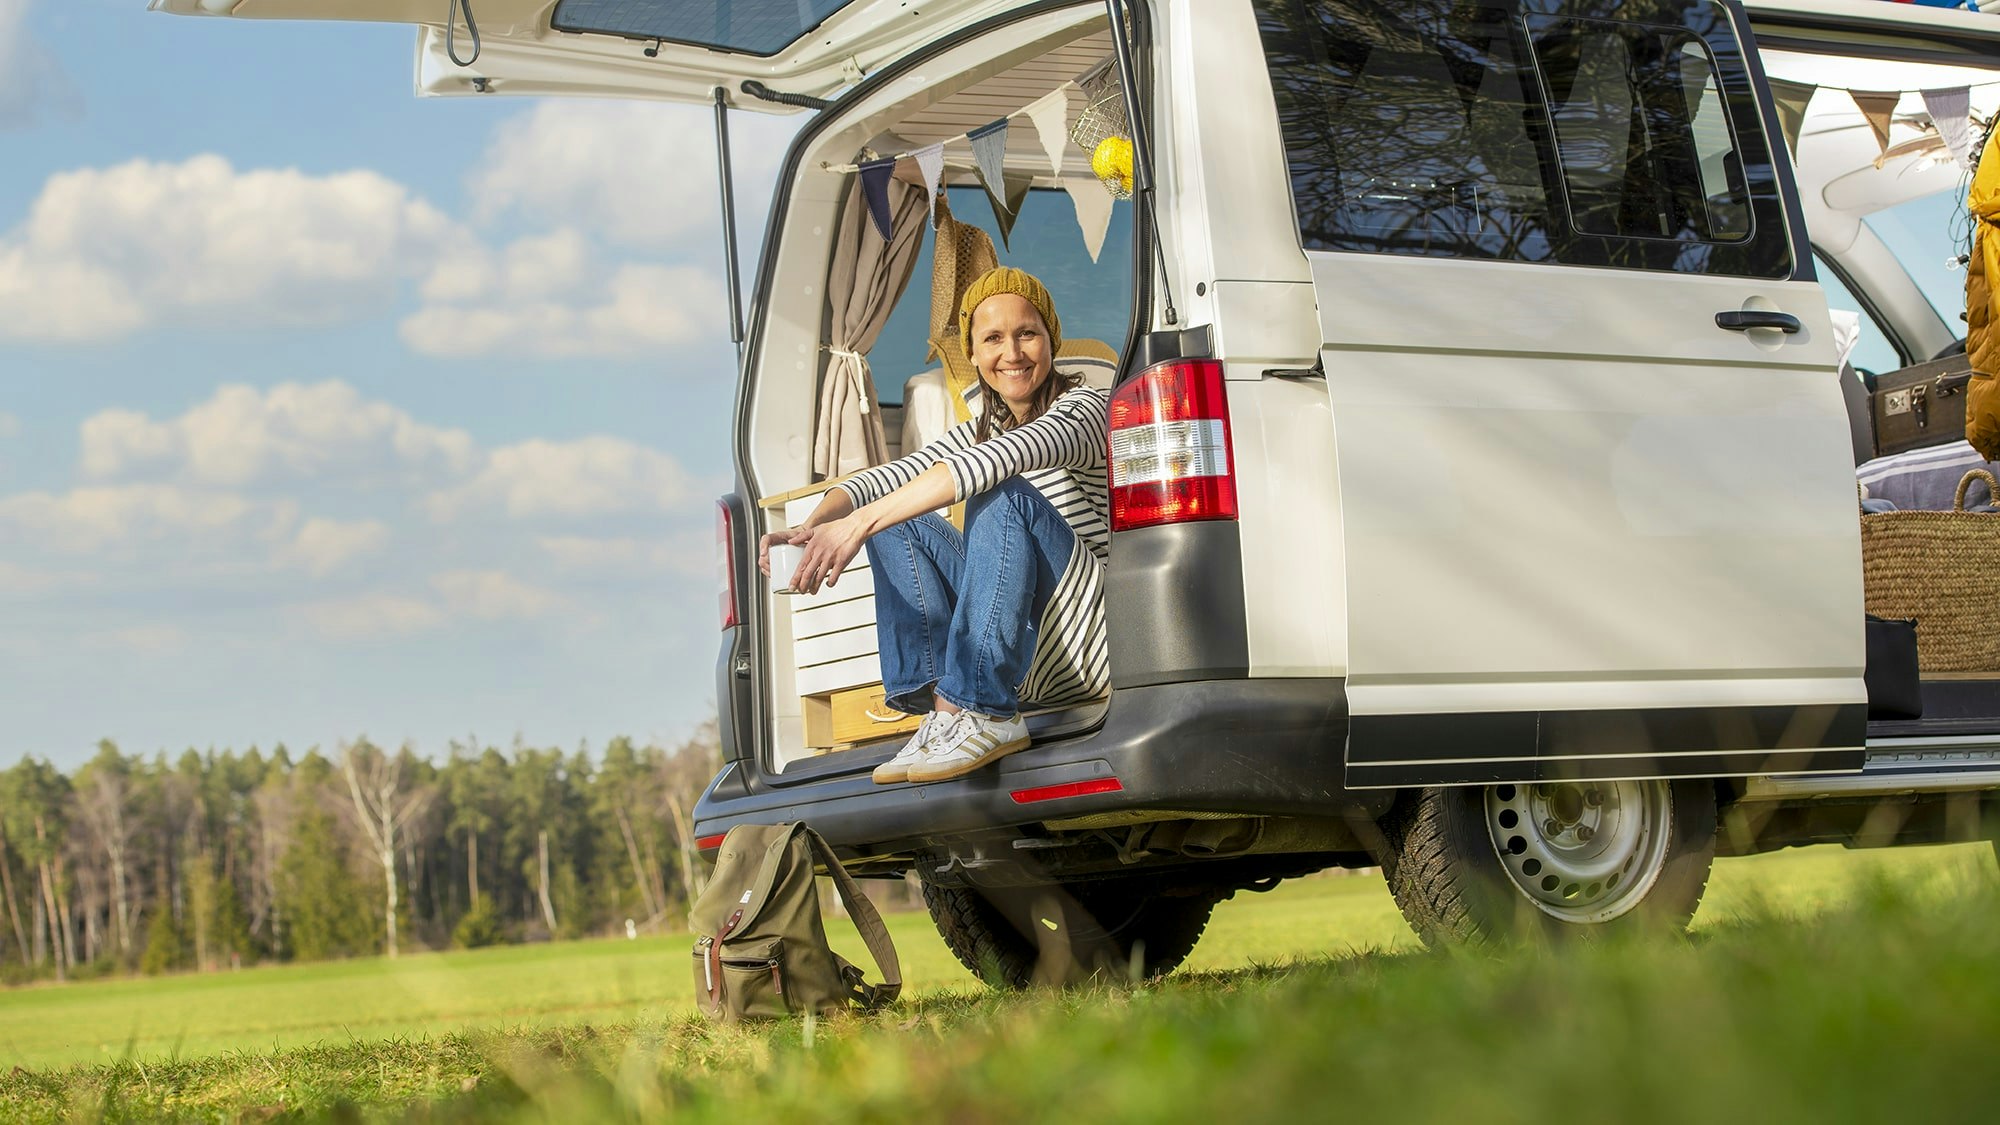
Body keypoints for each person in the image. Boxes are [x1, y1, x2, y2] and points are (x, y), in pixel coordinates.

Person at [759, 267, 1110, 784]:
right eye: (993, 338)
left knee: (995, 485)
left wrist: (855, 526)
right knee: (896, 519)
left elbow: (999, 460)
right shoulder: (978, 431)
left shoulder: (1085, 409)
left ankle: (983, 707)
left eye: (1027, 334)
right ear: (973, 354)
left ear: (1051, 339)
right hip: (1028, 655)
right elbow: (887, 478)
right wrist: (814, 526)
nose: (1011, 353)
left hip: (1090, 641)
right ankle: (945, 714)